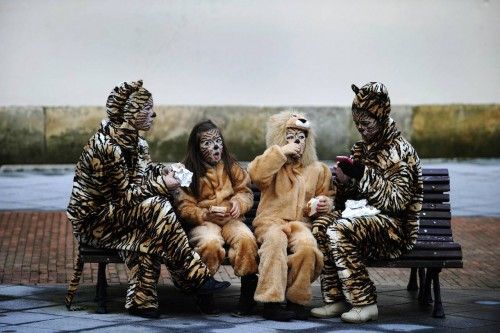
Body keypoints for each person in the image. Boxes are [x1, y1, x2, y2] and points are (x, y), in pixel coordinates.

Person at [65, 80, 230, 319]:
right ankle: (193, 277)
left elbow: (143, 174)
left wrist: (163, 172)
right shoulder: (106, 147)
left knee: (151, 234)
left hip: (120, 216)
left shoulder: (138, 143)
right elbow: (124, 198)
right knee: (157, 207)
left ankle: (142, 302)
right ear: (130, 114)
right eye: (147, 109)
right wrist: (162, 185)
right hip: (96, 222)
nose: (154, 113)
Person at [311, 82, 423, 323]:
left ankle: (364, 302)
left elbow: (397, 202)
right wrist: (344, 181)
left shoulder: (399, 151)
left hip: (395, 229)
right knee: (321, 226)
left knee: (338, 230)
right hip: (365, 219)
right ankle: (336, 298)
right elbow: (350, 201)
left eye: (366, 124)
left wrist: (362, 175)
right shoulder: (362, 149)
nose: (361, 129)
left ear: (381, 117)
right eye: (357, 124)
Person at [247, 111, 334, 321]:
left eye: (301, 138)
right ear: (280, 139)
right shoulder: (274, 163)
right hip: (271, 221)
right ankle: (271, 300)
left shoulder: (317, 169)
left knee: (307, 247)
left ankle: (296, 299)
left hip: (301, 223)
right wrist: (281, 152)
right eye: (291, 137)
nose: (297, 142)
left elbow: (327, 195)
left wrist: (325, 204)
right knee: (275, 241)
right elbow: (255, 174)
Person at [176, 120, 259, 315]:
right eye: (207, 142)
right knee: (210, 243)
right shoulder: (187, 170)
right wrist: (203, 213)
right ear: (196, 147)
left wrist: (238, 204)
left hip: (231, 219)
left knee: (246, 239)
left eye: (218, 140)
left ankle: (247, 296)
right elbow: (184, 206)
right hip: (205, 221)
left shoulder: (231, 166)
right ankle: (205, 294)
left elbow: (245, 192)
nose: (215, 146)